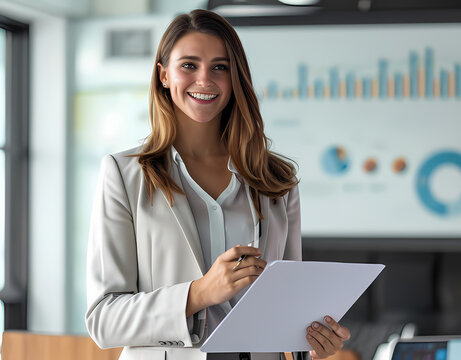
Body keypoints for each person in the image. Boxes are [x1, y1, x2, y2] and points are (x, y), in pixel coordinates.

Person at [85, 9, 350, 360]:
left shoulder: (277, 181)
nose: (205, 80)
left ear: (235, 76)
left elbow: (288, 311)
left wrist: (313, 344)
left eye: (220, 67)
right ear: (163, 75)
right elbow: (103, 319)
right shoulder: (124, 174)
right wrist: (199, 293)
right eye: (189, 65)